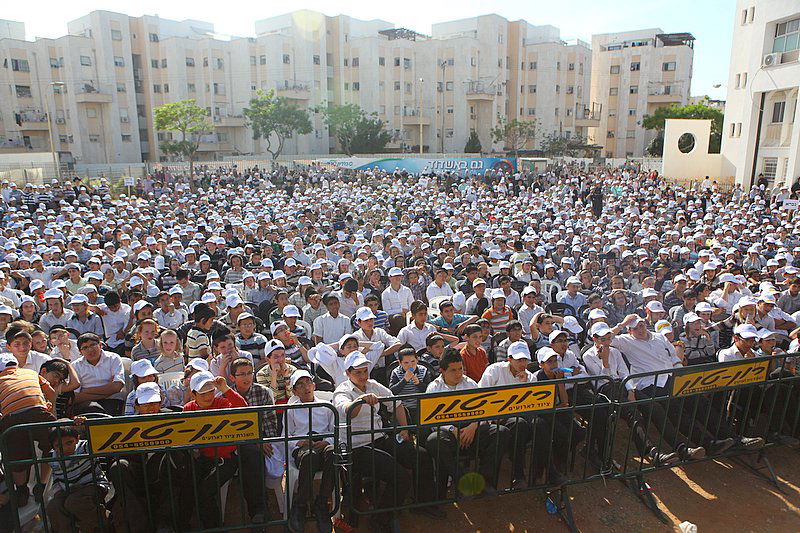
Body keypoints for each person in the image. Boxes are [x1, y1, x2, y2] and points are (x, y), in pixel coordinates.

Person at [333, 351, 438, 532]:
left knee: (421, 455)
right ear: (347, 374)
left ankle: (423, 503)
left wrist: (404, 428)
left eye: (365, 371)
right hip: (357, 447)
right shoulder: (342, 390)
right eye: (358, 372)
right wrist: (360, 400)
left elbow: (395, 403)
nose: (363, 376)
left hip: (380, 438)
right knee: (400, 477)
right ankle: (380, 519)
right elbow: (347, 410)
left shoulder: (373, 385)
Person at [183, 371, 268, 528]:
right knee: (190, 488)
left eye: (210, 391)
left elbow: (243, 409)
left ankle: (216, 527)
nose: (208, 396)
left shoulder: (221, 403)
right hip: (203, 459)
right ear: (193, 394)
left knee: (204, 491)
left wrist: (225, 389)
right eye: (203, 393)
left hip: (226, 458)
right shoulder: (188, 409)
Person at [108, 383, 193, 532]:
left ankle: (165, 523)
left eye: (154, 403)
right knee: (118, 467)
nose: (151, 408)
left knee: (169, 460)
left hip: (166, 474)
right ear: (136, 407)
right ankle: (139, 526)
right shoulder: (126, 425)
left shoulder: (172, 417)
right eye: (146, 404)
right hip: (139, 474)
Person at [425, 349, 511, 497]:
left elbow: (484, 411)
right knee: (434, 440)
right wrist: (452, 429)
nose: (458, 374)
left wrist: (473, 426)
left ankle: (484, 481)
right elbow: (431, 420)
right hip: (450, 435)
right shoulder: (434, 388)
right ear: (442, 371)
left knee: (501, 432)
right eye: (453, 370)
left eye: (460, 369)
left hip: (472, 432)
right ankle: (462, 478)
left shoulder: (470, 383)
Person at [0, 353, 56, 506]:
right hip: (39, 412)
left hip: (12, 419)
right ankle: (42, 485)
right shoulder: (30, 373)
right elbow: (50, 391)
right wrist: (49, 409)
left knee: (17, 456)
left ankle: (21, 490)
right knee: (51, 447)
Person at [285, 370, 336, 533]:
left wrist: (326, 441)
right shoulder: (291, 409)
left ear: (314, 385)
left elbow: (336, 432)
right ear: (294, 391)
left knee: (334, 453)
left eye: (308, 383)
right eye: (300, 384)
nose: (305, 387)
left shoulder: (327, 407)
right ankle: (300, 505)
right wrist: (299, 442)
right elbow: (285, 436)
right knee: (309, 456)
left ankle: (322, 503)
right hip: (303, 449)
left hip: (323, 445)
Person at [46, 419, 112, 532]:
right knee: (54, 506)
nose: (65, 448)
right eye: (58, 445)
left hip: (93, 486)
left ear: (77, 439)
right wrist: (58, 492)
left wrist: (84, 425)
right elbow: (56, 477)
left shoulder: (85, 447)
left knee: (73, 502)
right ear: (53, 446)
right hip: (69, 490)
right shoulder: (52, 458)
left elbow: (101, 436)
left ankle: (105, 522)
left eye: (69, 443)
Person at [71, 333, 125, 415]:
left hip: (112, 401)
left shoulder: (113, 358)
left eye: (93, 345)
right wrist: (107, 391)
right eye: (85, 347)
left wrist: (86, 390)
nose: (90, 350)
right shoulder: (75, 366)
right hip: (87, 403)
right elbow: (75, 397)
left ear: (100, 345)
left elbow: (117, 387)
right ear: (80, 352)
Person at [388, 347, 434, 423]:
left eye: (413, 361)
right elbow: (392, 391)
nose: (410, 365)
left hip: (420, 407)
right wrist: (404, 380)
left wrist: (419, 383)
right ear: (400, 363)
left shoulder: (423, 370)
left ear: (417, 360)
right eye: (406, 363)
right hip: (402, 408)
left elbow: (429, 389)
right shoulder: (396, 372)